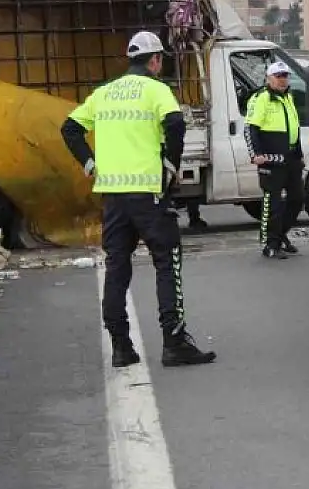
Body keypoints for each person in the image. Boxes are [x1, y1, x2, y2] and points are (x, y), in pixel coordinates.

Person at [60, 30, 216, 368]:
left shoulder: (104, 93)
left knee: (117, 266)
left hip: (114, 195)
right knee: (166, 260)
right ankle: (174, 342)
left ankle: (120, 346)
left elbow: (69, 129)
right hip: (148, 192)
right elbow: (175, 125)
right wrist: (171, 165)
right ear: (156, 60)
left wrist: (90, 164)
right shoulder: (157, 89)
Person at [244, 60, 304, 260]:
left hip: (291, 158)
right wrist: (256, 155)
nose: (282, 80)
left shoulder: (288, 97)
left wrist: (299, 153)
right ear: (268, 78)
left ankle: (281, 235)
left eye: (285, 76)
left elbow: (294, 127)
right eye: (278, 76)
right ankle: (270, 244)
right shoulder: (261, 98)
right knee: (273, 204)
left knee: (297, 199)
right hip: (271, 160)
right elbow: (250, 128)